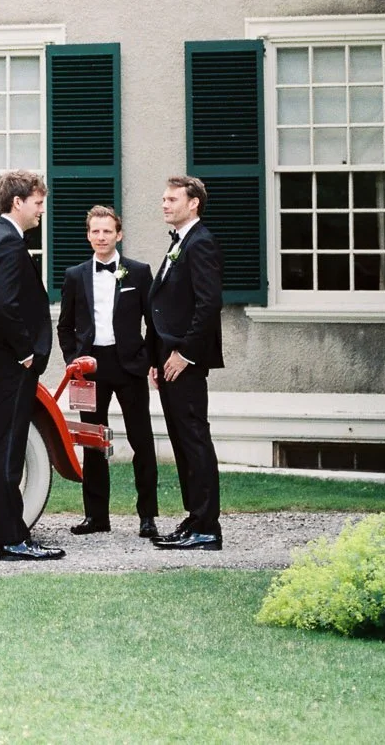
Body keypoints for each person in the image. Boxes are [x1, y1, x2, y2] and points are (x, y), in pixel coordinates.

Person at [0, 171, 63, 562]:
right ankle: (12, 538)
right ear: (18, 202)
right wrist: (25, 350)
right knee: (8, 450)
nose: (42, 211)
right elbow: (3, 303)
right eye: (38, 203)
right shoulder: (8, 242)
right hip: (10, 362)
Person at [56, 205, 160, 539]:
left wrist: (147, 359)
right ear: (88, 235)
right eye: (95, 231)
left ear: (119, 234)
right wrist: (74, 361)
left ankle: (148, 516)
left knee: (141, 439)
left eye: (107, 231)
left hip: (128, 365)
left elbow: (154, 321)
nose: (101, 237)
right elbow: (65, 325)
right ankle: (96, 516)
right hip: (90, 368)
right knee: (93, 443)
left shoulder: (139, 272)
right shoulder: (75, 275)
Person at [149, 175, 225, 552]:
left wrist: (185, 354)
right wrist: (155, 358)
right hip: (168, 361)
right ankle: (195, 517)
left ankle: (208, 527)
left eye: (172, 198)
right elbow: (163, 305)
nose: (164, 204)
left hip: (186, 363)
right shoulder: (180, 242)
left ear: (193, 203)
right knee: (181, 442)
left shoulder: (201, 242)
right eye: (163, 198)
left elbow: (208, 305)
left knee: (194, 440)